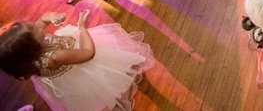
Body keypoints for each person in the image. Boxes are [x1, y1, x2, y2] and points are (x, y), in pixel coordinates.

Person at [0, 9, 154, 111]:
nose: (36, 25)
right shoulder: (55, 56)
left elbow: (43, 20)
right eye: (34, 29)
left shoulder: (28, 57)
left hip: (71, 56)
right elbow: (88, 53)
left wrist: (51, 17)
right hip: (80, 62)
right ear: (32, 47)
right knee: (106, 77)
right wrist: (82, 28)